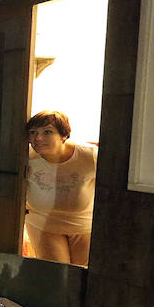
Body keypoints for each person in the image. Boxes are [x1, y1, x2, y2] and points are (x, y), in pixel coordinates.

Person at [24, 110, 97, 266]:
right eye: (33, 132)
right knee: (57, 275)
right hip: (43, 225)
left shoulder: (90, 157)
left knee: (82, 274)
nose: (38, 138)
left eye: (47, 132)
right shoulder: (26, 157)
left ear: (63, 135)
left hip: (83, 225)